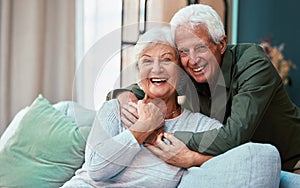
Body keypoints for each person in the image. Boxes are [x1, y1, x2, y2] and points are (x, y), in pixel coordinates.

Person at [62, 27, 280, 187]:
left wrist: (192, 159)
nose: (156, 69)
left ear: (182, 73)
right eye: (147, 61)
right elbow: (97, 169)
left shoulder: (202, 127)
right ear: (139, 72)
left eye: (166, 60)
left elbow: (240, 163)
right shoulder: (116, 109)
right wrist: (143, 127)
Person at [109, 4, 300, 174]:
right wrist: (124, 95)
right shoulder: (189, 71)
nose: (192, 60)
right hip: (242, 165)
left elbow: (233, 137)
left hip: (292, 164)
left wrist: (164, 137)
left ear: (222, 44)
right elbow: (155, 82)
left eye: (201, 48)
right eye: (183, 51)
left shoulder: (252, 63)